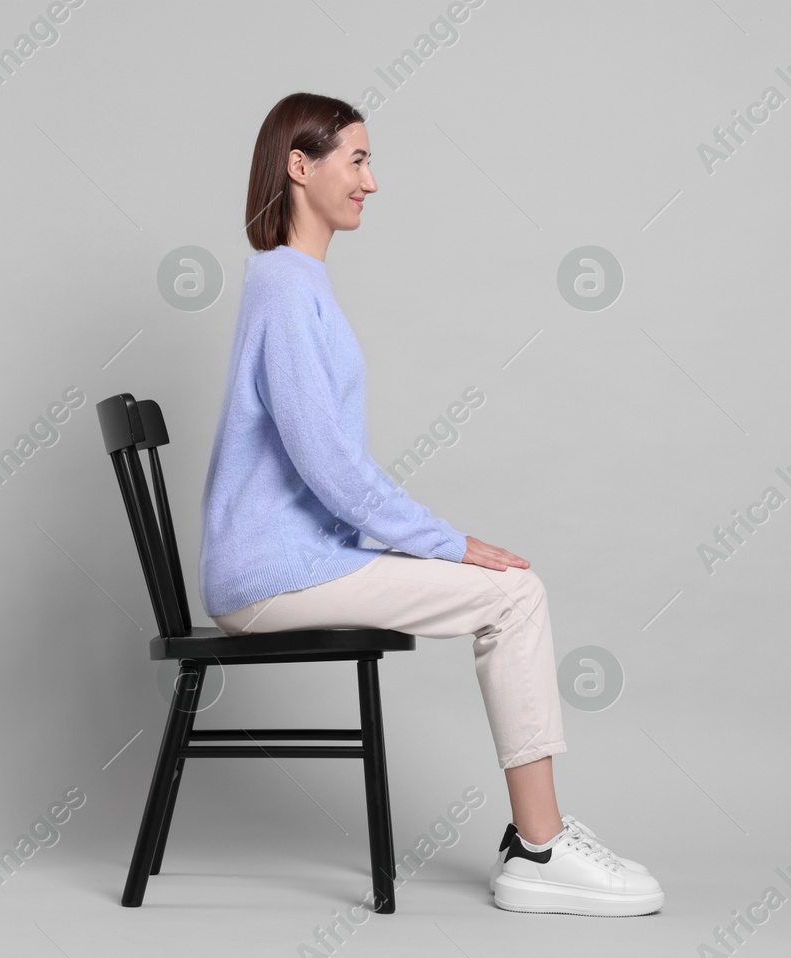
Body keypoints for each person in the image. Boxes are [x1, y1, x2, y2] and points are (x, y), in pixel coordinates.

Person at [197, 93, 661, 917]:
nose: (372, 181)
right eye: (358, 160)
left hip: (299, 562)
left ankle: (538, 842)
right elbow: (331, 467)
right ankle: (540, 849)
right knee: (515, 593)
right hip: (275, 574)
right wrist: (446, 543)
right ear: (299, 168)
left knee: (510, 591)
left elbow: (329, 471)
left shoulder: (295, 282)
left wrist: (423, 544)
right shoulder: (281, 286)